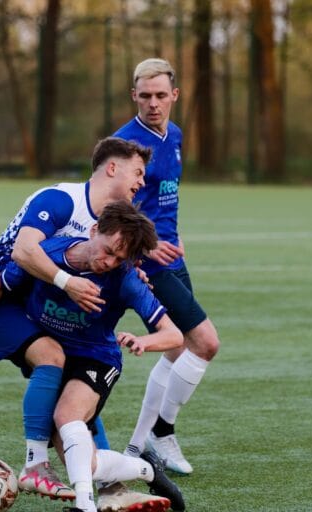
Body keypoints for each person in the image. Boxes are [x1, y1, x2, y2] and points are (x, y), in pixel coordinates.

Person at [0, 201, 186, 512]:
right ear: (93, 230)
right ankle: (146, 469)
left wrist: (144, 340)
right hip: (59, 355)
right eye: (109, 249)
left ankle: (85, 506)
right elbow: (2, 282)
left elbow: (174, 335)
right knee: (84, 463)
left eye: (120, 258)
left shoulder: (125, 279)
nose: (110, 261)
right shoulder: (47, 254)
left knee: (66, 417)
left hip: (97, 359)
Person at [0, 137, 151, 501]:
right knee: (53, 357)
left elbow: (102, 264)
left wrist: (129, 274)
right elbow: (24, 251)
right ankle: (35, 466)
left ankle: (110, 486)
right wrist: (68, 283)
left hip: (34, 302)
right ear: (112, 167)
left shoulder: (108, 226)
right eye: (137, 172)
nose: (142, 182)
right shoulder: (61, 200)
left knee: (78, 388)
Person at [111, 58, 221, 476]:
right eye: (145, 96)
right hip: (146, 264)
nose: (153, 103)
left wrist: (176, 237)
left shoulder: (173, 135)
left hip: (171, 255)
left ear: (174, 95)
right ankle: (161, 433)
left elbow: (164, 199)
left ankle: (140, 446)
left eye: (161, 95)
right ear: (133, 96)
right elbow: (110, 212)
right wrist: (143, 251)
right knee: (205, 343)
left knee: (177, 350)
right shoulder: (125, 145)